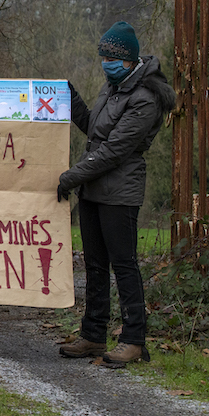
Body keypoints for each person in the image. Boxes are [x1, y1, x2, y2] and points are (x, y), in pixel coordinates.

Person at [57, 22, 175, 367]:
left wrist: (70, 177)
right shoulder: (114, 86)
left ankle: (133, 340)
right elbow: (95, 129)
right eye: (103, 56)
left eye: (111, 56)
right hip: (93, 189)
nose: (105, 61)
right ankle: (93, 335)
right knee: (94, 266)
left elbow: (114, 151)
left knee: (124, 266)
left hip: (120, 192)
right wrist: (69, 96)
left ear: (128, 59)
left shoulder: (146, 97)